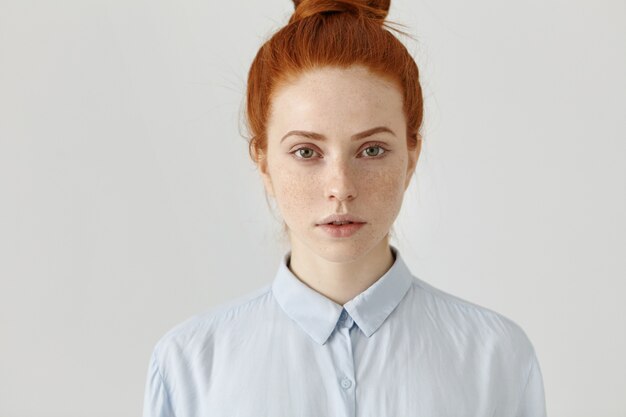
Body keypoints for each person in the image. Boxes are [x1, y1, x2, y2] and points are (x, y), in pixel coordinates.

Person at [142, 0, 547, 416]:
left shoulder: (495, 358)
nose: (341, 188)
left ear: (411, 156)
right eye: (306, 151)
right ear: (263, 161)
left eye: (372, 149)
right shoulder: (188, 366)